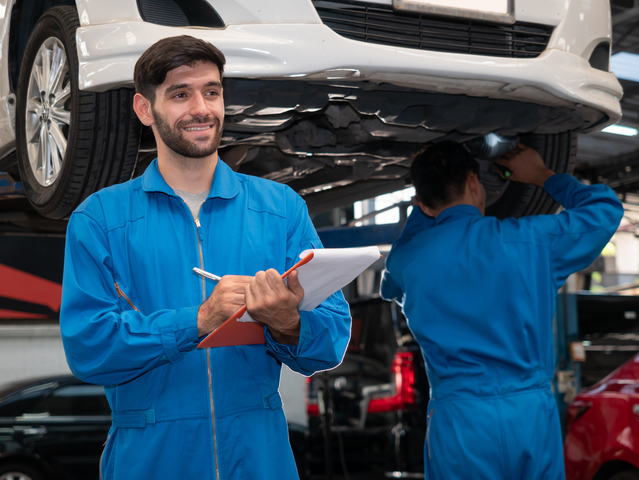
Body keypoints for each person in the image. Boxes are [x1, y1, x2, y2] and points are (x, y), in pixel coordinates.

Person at [59, 35, 351, 480]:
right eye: (181, 94)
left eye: (212, 91)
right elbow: (89, 348)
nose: (202, 108)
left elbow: (331, 339)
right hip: (151, 459)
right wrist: (197, 321)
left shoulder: (281, 209)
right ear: (144, 109)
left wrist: (287, 322)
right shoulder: (99, 220)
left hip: (259, 456)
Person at [380, 141, 623, 480]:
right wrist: (542, 174)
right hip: (529, 415)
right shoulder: (531, 241)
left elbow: (390, 280)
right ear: (474, 182)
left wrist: (425, 203)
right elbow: (604, 208)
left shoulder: (407, 261)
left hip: (460, 422)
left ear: (422, 203)